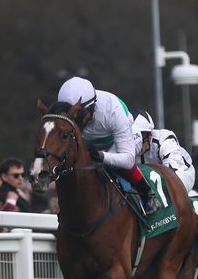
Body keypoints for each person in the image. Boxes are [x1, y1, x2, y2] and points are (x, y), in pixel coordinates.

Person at [57, 76, 159, 214]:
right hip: (91, 142)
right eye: (70, 115)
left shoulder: (112, 110)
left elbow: (128, 159)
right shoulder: (70, 114)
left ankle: (148, 194)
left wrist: (101, 156)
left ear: (90, 108)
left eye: (77, 115)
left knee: (115, 164)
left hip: (120, 137)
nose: (74, 119)